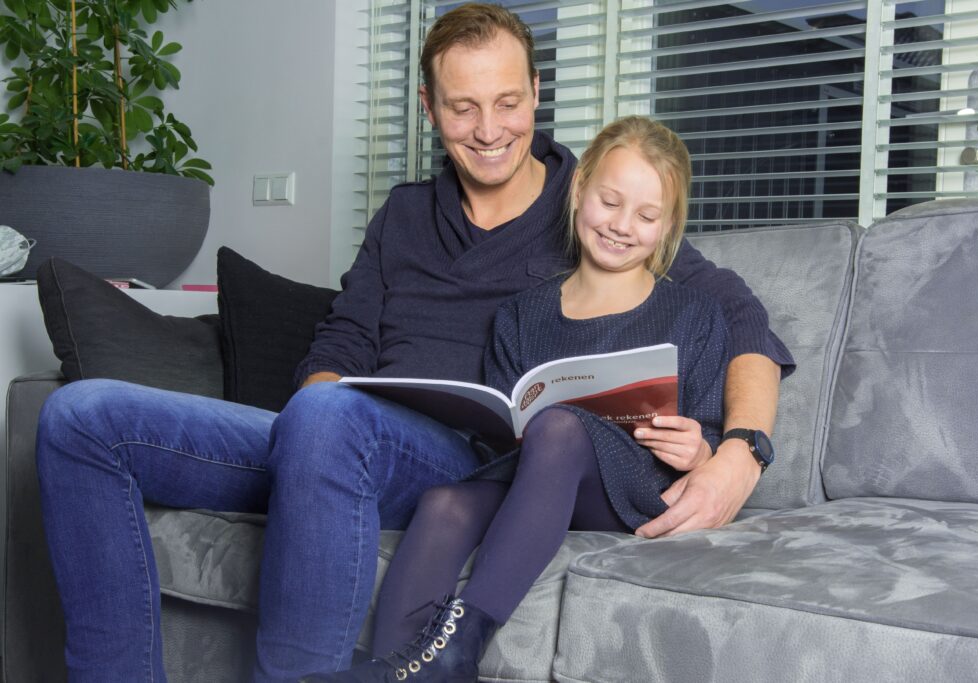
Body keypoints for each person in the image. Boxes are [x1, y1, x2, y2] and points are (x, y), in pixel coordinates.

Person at [34, 4, 793, 682]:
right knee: (81, 418)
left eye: (506, 102)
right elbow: (344, 338)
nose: (489, 130)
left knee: (330, 421)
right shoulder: (401, 216)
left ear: (535, 93)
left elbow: (744, 321)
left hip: (471, 458)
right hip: (336, 435)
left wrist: (740, 453)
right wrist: (311, 414)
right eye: (463, 107)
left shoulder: (592, 211)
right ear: (429, 107)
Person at [341, 116, 729, 683]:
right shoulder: (523, 313)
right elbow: (505, 427)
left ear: (668, 225)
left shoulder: (693, 316)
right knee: (444, 501)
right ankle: (388, 672)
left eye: (646, 216)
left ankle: (460, 648)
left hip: (632, 493)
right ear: (578, 193)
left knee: (561, 428)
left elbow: (714, 433)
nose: (622, 226)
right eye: (610, 202)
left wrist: (701, 452)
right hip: (537, 481)